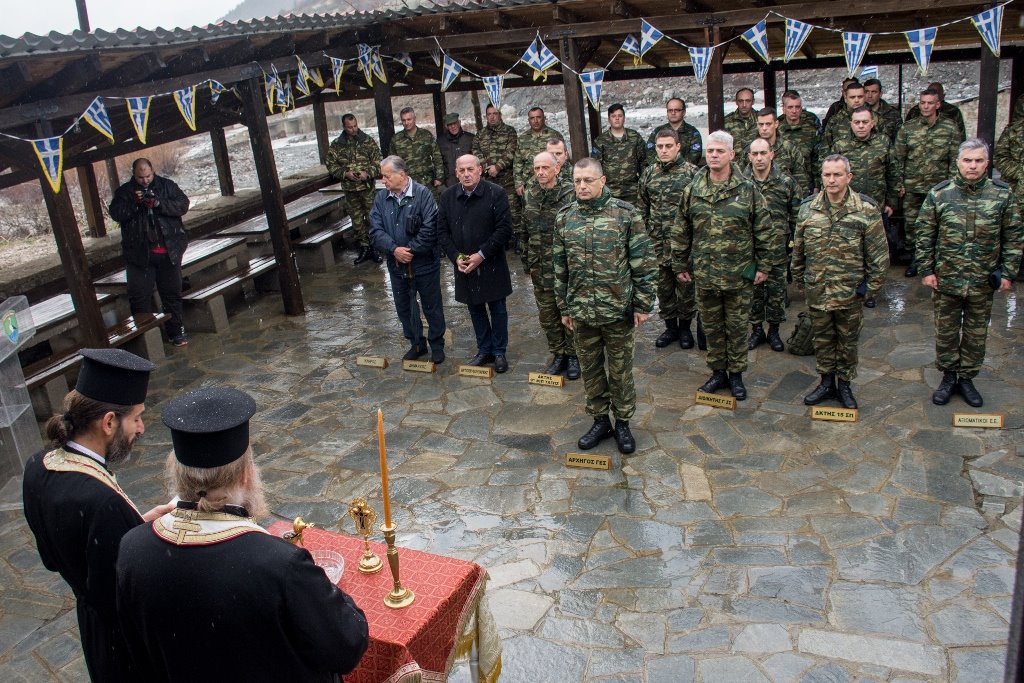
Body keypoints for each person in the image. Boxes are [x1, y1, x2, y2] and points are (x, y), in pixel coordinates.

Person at [115, 387, 369, 681]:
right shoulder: (278, 564)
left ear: (178, 473)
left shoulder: (132, 548)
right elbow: (348, 644)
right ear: (246, 474)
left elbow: (135, 652)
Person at [22, 348, 173, 683]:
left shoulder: (36, 466)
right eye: (136, 417)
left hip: (94, 631)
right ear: (108, 423)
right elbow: (128, 593)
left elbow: (54, 557)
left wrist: (135, 525)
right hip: (128, 650)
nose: (141, 428)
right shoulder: (102, 503)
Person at [553, 158, 657, 454]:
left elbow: (644, 263)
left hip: (618, 312)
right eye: (577, 181)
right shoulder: (565, 217)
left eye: (588, 180)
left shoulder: (626, 215)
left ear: (603, 181)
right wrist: (564, 307)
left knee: (621, 371)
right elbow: (559, 267)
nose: (582, 186)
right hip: (582, 312)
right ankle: (600, 420)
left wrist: (642, 304)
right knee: (591, 370)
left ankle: (622, 422)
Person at [915, 138, 1023, 408]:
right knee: (946, 332)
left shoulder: (1002, 195)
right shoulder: (940, 194)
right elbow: (925, 234)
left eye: (978, 160)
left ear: (986, 163)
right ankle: (949, 376)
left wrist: (1008, 272)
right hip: (947, 278)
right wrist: (927, 269)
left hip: (982, 280)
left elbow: (1013, 235)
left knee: (976, 334)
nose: (972, 166)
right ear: (958, 162)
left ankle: (967, 378)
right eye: (967, 160)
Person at [674, 130, 772, 401]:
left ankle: (737, 375)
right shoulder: (693, 189)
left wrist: (764, 266)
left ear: (731, 154)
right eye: (710, 151)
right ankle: (718, 372)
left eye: (719, 151)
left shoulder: (748, 189)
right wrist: (679, 262)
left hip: (738, 274)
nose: (714, 155)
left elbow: (763, 229)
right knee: (713, 326)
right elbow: (681, 229)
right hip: (705, 273)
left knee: (738, 327)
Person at [792, 154, 889, 409]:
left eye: (837, 174)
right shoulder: (807, 208)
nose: (832, 180)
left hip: (850, 292)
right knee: (822, 339)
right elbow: (799, 249)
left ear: (849, 177)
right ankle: (825, 383)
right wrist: (799, 278)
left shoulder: (865, 210)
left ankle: (844, 385)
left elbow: (879, 254)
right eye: (827, 175)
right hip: (818, 289)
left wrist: (870, 288)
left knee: (847, 342)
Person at [437, 155, 513, 372]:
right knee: (475, 307)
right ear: (456, 172)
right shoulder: (448, 196)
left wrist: (481, 254)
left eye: (471, 169)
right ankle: (484, 349)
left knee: (497, 308)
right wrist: (456, 257)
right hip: (464, 263)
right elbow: (442, 231)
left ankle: (499, 351)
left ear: (480, 170)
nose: (466, 174)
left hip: (491, 261)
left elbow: (504, 230)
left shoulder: (496, 193)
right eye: (462, 170)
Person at [369, 156, 446, 364]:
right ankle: (416, 343)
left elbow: (431, 228)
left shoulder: (423, 195)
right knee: (404, 306)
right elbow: (375, 230)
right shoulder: (381, 198)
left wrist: (410, 250)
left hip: (424, 263)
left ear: (401, 175)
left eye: (386, 176)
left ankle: (437, 345)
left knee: (432, 305)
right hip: (396, 265)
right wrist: (394, 249)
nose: (383, 181)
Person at [108, 158, 190, 347]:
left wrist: (158, 203)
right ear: (133, 174)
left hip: (169, 251)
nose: (145, 180)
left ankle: (176, 332)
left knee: (172, 295)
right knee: (139, 297)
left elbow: (183, 205)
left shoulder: (167, 186)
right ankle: (147, 340)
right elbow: (116, 214)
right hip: (139, 255)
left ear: (153, 171)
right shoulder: (124, 193)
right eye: (140, 177)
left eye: (148, 176)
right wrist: (136, 205)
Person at [829, 105, 900, 305]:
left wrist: (892, 201)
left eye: (864, 122)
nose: (861, 126)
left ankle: (872, 290)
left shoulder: (883, 142)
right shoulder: (840, 145)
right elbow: (829, 173)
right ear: (851, 124)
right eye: (857, 122)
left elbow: (893, 172)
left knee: (875, 251)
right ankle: (851, 289)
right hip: (847, 208)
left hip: (876, 207)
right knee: (850, 250)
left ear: (872, 123)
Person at [637, 128, 699, 350]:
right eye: (659, 147)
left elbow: (698, 211)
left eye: (668, 146)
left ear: (678, 147)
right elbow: (642, 207)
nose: (663, 151)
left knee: (685, 289)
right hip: (657, 243)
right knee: (663, 289)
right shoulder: (649, 173)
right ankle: (671, 327)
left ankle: (685, 328)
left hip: (683, 245)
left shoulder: (692, 173)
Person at [893, 88, 963, 276]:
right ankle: (916, 260)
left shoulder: (950, 128)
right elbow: (898, 158)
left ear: (938, 104)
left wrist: (953, 186)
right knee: (912, 225)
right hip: (912, 186)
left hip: (939, 188)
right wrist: (899, 183)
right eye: (922, 102)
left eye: (930, 103)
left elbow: (955, 160)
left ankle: (937, 262)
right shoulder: (908, 128)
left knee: (940, 225)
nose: (925, 106)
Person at [523, 151, 579, 379]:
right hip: (540, 267)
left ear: (557, 168)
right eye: (536, 168)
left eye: (545, 168)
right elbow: (525, 230)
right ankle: (558, 354)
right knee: (548, 314)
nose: (540, 172)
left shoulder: (570, 193)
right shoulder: (530, 193)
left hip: (565, 267)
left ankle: (574, 355)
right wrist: (527, 262)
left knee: (568, 311)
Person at [745, 138, 800, 352]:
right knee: (754, 293)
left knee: (777, 293)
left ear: (771, 154)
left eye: (763, 153)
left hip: (778, 247)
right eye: (755, 154)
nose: (759, 158)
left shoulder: (786, 182)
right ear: (749, 156)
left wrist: (795, 244)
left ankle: (774, 331)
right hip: (750, 250)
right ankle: (757, 330)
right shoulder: (742, 182)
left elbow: (797, 217)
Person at [326, 113, 383, 265]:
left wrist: (368, 173)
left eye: (355, 126)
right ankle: (364, 247)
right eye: (349, 127)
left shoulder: (368, 141)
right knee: (357, 220)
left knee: (373, 218)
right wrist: (345, 174)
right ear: (344, 127)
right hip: (350, 190)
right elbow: (331, 165)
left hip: (367, 188)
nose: (353, 129)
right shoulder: (337, 144)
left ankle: (375, 247)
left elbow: (379, 162)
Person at [514, 108, 564, 251]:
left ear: (544, 118)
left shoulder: (554, 135)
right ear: (528, 120)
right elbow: (517, 162)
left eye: (538, 117)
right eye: (532, 118)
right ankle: (528, 244)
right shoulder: (522, 139)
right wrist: (518, 183)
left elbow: (562, 158)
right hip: (529, 184)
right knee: (530, 213)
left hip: (550, 182)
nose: (535, 121)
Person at [473, 104, 519, 246]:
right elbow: (475, 150)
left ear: (500, 115)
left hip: (507, 180)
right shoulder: (481, 134)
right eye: (489, 114)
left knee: (513, 211)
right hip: (488, 181)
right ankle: (497, 241)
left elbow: (511, 151)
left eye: (494, 113)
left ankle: (516, 240)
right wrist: (486, 165)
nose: (492, 117)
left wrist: (498, 166)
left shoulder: (510, 132)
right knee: (491, 212)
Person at [741, 108, 809, 193]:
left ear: (776, 124)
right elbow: (740, 179)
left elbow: (802, 182)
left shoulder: (789, 149)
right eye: (761, 124)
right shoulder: (750, 150)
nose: (764, 128)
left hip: (782, 200)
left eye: (768, 124)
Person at [591, 102, 647, 205]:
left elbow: (644, 161)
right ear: (609, 119)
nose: (617, 118)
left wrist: (643, 183)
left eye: (620, 116)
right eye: (613, 116)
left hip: (632, 190)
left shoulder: (635, 137)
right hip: (609, 191)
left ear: (624, 118)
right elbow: (595, 167)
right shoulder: (601, 141)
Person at [388, 106, 444, 195]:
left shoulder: (426, 135)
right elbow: (392, 163)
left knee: (430, 207)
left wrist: (439, 177)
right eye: (403, 120)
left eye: (409, 119)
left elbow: (436, 156)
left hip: (427, 181)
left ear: (414, 119)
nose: (406, 122)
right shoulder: (396, 139)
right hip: (406, 183)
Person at [778, 90, 821, 193]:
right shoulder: (776, 130)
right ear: (783, 109)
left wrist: (817, 185)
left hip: (805, 186)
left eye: (797, 107)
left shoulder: (810, 131)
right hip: (781, 185)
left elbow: (816, 160)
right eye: (790, 107)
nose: (794, 111)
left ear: (801, 109)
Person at [647, 97, 703, 166]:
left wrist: (674, 169)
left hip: (685, 174)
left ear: (684, 112)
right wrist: (663, 167)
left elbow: (694, 157)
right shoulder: (658, 131)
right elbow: (650, 153)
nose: (673, 113)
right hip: (660, 173)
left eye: (677, 110)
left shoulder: (693, 133)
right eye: (670, 110)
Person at [438, 112, 475, 188]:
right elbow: (438, 162)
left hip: (469, 181)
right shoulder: (440, 142)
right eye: (450, 125)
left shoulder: (470, 138)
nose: (453, 127)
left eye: (455, 123)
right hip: (450, 183)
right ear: (446, 126)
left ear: (459, 123)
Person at [862, 78, 902, 142]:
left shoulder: (893, 114)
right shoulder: (857, 113)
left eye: (874, 92)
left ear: (880, 94)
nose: (869, 95)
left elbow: (899, 139)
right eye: (867, 92)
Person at [723, 88, 758, 153]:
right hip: (734, 161)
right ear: (736, 102)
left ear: (753, 102)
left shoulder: (761, 120)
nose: (744, 105)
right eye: (741, 101)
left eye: (748, 101)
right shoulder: (727, 121)